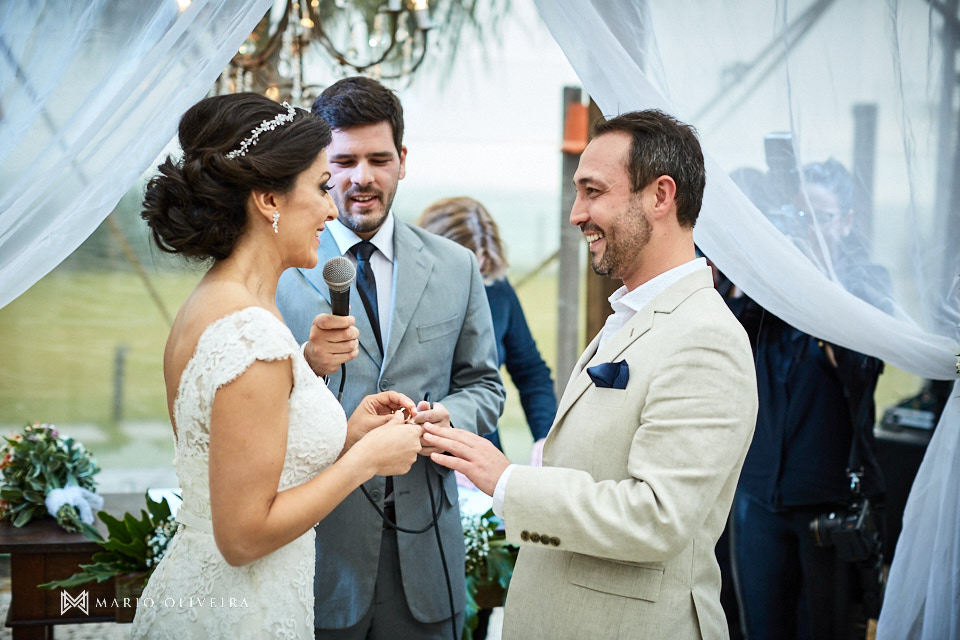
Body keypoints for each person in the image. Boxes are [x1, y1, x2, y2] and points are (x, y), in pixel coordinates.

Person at [421, 109, 759, 639]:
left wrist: (507, 480)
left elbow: (657, 517)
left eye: (593, 191)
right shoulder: (633, 315)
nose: (577, 214)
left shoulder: (704, 338)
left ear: (660, 196)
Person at [131, 93, 424, 639]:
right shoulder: (251, 332)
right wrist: (365, 463)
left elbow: (250, 460)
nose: (332, 208)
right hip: (237, 613)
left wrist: (351, 435)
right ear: (269, 199)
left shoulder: (218, 302)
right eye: (319, 186)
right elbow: (242, 537)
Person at [275, 77, 505, 640]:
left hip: (428, 560)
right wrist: (308, 363)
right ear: (321, 166)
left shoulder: (456, 266)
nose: (362, 178)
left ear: (403, 160)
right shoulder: (279, 267)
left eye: (379, 159)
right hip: (317, 554)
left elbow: (485, 385)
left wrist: (450, 418)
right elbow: (250, 406)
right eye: (345, 161)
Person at [726, 159, 887, 640]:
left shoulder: (866, 283)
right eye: (801, 218)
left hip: (826, 500)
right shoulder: (772, 286)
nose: (811, 230)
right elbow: (728, 335)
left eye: (823, 218)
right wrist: (766, 273)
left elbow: (862, 371)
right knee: (759, 627)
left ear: (849, 221)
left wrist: (818, 280)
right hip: (757, 492)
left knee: (826, 629)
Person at [416, 196, 558, 464]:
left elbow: (531, 372)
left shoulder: (499, 292)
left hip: (483, 454)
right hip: (422, 461)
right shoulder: (405, 296)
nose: (476, 288)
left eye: (482, 274)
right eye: (467, 274)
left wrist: (545, 437)